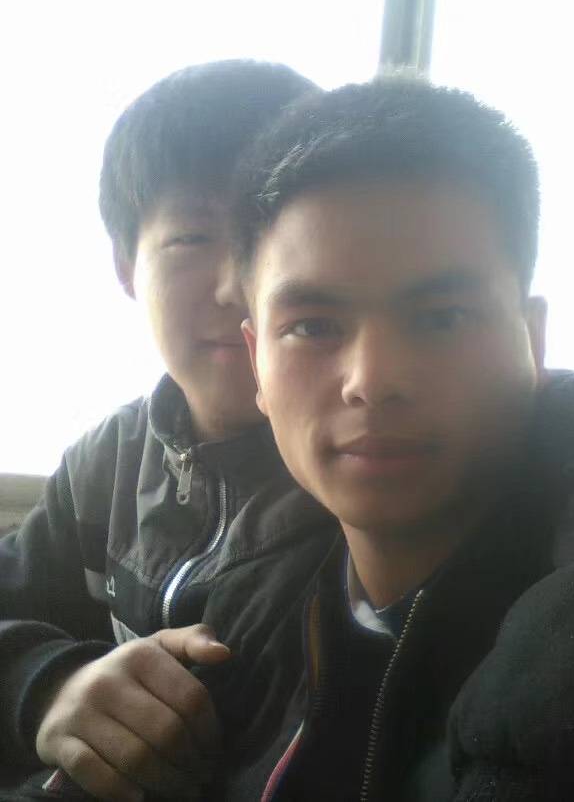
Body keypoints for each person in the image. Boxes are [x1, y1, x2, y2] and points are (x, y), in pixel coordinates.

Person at [188, 77, 574, 801]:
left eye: (442, 317)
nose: (372, 380)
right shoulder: (246, 606)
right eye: (313, 326)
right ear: (256, 367)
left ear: (533, 341)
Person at [0, 60, 338, 802]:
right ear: (127, 266)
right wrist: (48, 682)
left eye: (267, 234)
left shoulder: (363, 478)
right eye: (190, 238)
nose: (237, 286)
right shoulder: (109, 464)